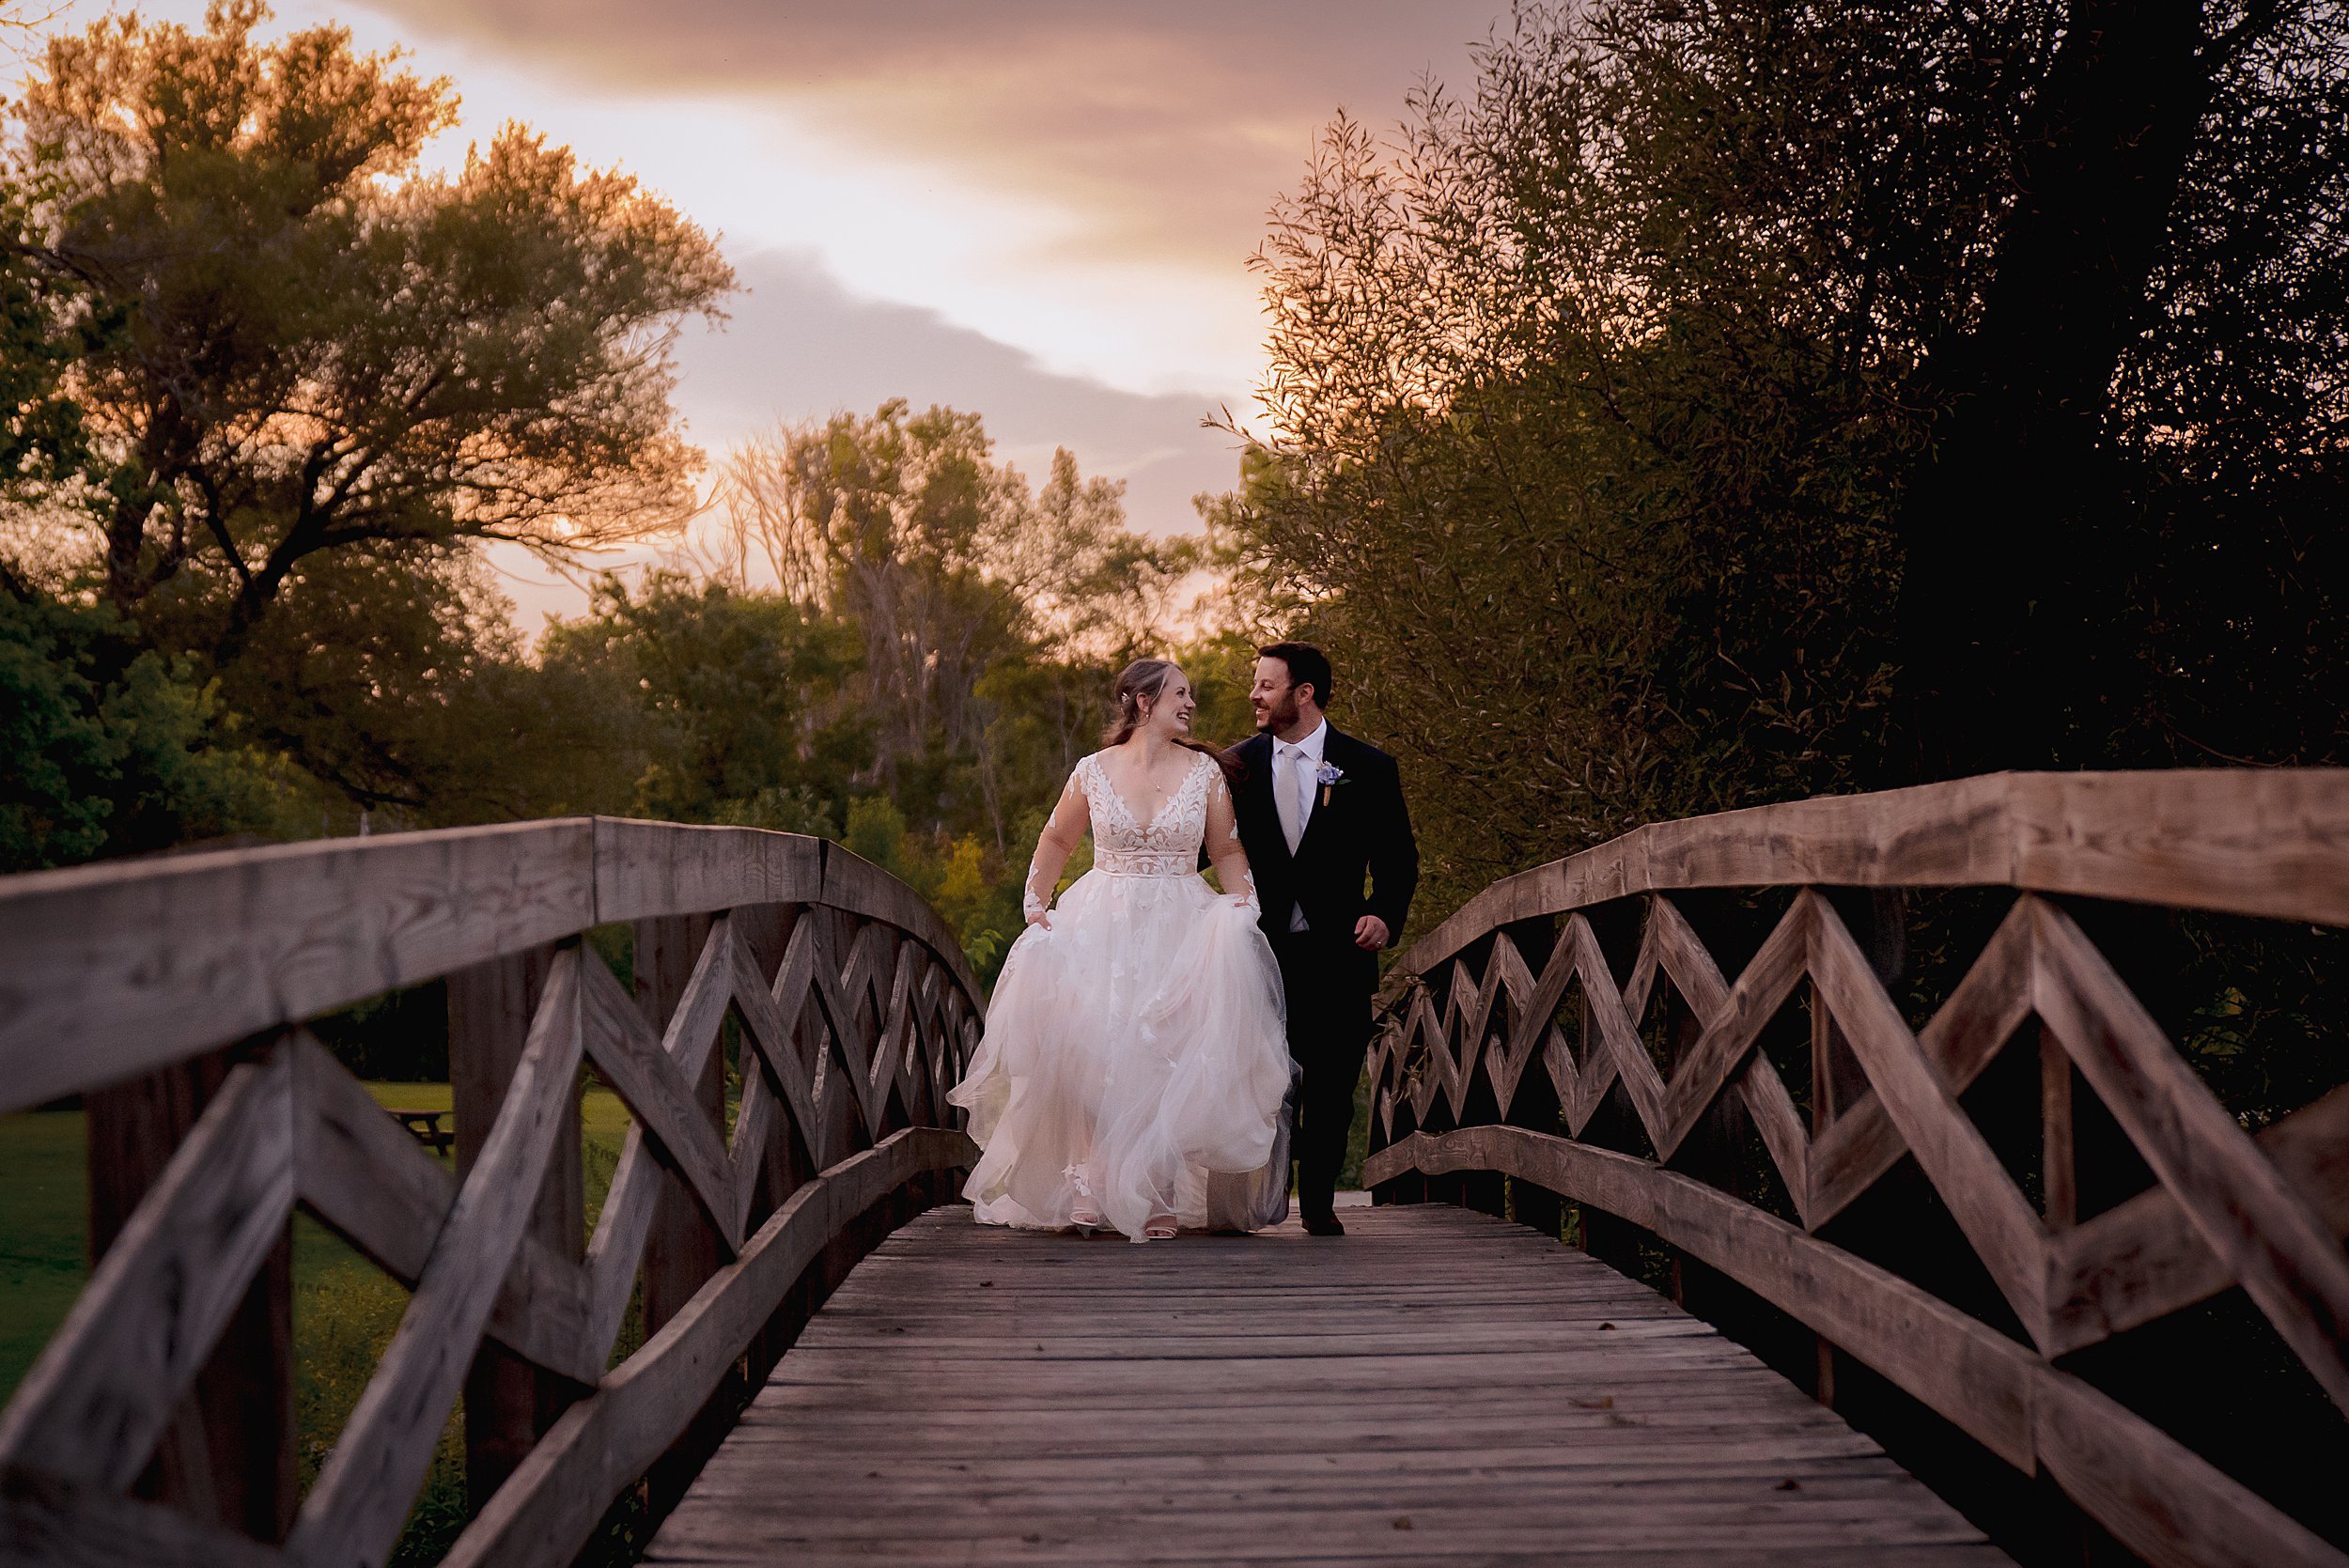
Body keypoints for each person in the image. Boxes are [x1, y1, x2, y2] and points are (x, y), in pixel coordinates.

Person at [947, 659, 1295, 1242]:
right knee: (1094, 1045)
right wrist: (1036, 900)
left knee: (1164, 1049)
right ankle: (1088, 1181)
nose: (1190, 705)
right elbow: (1057, 837)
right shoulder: (1093, 770)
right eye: (1180, 694)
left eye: (1190, 696)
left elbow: (1228, 850)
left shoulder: (1204, 772)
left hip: (1181, 918)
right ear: (1143, 701)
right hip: (1101, 916)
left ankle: (1154, 1187)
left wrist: (1242, 906)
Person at [1225, 643, 1418, 1235]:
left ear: (1304, 693)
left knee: (1334, 1083)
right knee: (1262, 1077)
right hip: (1258, 954)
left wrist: (1385, 914)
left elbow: (1399, 859)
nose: (1254, 695)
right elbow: (1207, 852)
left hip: (1340, 952)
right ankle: (1261, 1195)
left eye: (1266, 685)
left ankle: (1319, 1204)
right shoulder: (1234, 767)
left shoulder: (1370, 767)